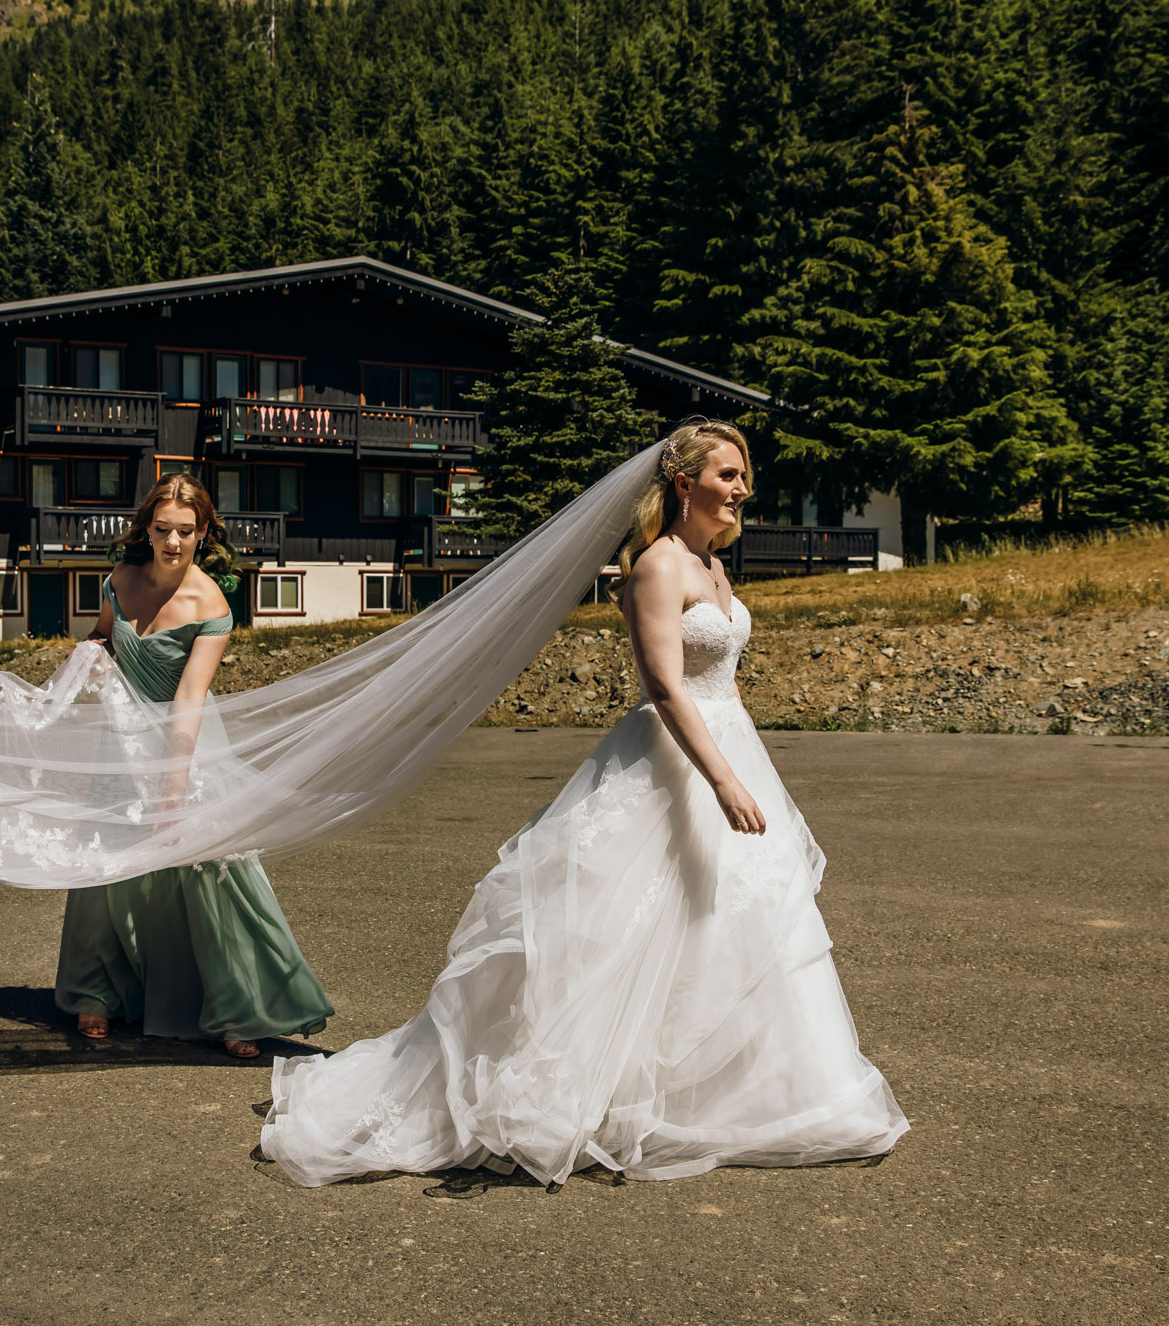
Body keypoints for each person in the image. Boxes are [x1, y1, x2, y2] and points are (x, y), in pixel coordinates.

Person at [258, 420, 909, 1186]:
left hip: (730, 743)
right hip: (675, 763)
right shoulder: (659, 569)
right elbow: (666, 686)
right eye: (728, 475)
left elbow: (720, 678)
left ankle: (756, 1094)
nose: (741, 491)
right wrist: (722, 778)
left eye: (743, 479)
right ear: (683, 481)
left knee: (736, 921)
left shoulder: (713, 565)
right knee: (617, 933)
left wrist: (745, 765)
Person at [55, 472, 333, 1058]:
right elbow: (102, 637)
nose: (174, 543)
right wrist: (91, 654)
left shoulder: (210, 602)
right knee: (106, 866)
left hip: (189, 746)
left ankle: (236, 1008)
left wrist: (173, 784)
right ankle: (95, 994)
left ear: (204, 532)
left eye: (186, 531)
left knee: (211, 872)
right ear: (146, 529)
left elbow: (189, 699)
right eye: (163, 530)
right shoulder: (119, 580)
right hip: (120, 742)